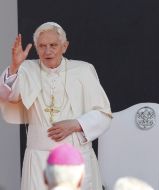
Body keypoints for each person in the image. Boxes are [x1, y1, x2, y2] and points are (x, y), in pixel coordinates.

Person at [0, 22, 112, 190]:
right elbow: (7, 96)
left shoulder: (83, 70)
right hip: (38, 160)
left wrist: (76, 124)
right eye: (42, 46)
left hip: (75, 157)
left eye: (53, 45)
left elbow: (104, 114)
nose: (47, 51)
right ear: (37, 48)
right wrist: (15, 67)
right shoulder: (26, 69)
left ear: (64, 46)